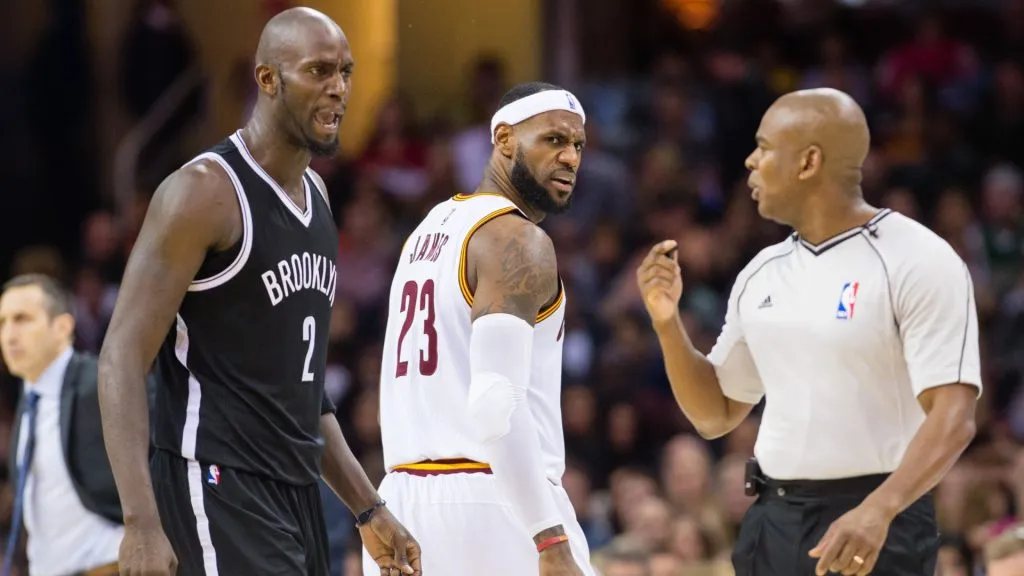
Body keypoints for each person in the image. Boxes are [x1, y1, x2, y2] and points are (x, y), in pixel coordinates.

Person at [97, 7, 420, 576]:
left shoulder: (319, 198)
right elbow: (122, 355)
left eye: (345, 71)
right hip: (215, 480)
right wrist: (140, 520)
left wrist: (368, 507)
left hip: (297, 492)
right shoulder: (203, 193)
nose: (339, 88)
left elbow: (304, 394)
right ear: (268, 79)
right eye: (319, 70)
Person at [636, 88, 980, 576]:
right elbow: (716, 414)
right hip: (772, 518)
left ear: (808, 162)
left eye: (764, 147)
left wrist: (880, 510)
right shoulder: (761, 272)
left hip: (876, 517)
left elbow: (955, 417)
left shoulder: (918, 259)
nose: (750, 162)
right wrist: (667, 324)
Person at [366, 82, 595, 575]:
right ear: (505, 139)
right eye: (554, 139)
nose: (571, 157)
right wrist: (550, 536)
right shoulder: (517, 239)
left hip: (401, 505)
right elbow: (495, 406)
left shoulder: (427, 229)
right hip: (495, 502)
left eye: (578, 145)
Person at [0, 275, 148, 576]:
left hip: (109, 565)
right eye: (2, 322)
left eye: (22, 319)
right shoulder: (29, 403)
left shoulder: (101, 382)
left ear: (63, 327)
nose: (9, 335)